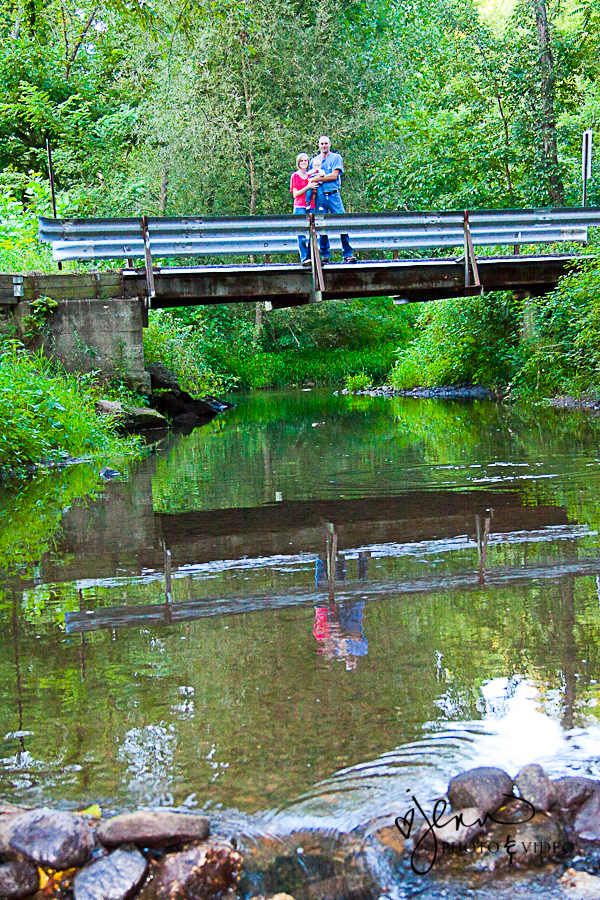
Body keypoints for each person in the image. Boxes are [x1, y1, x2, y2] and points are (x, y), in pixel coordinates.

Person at [309, 135, 357, 264]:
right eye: (322, 144)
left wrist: (318, 178)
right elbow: (310, 178)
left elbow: (333, 176)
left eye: (326, 143)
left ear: (329, 144)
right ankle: (325, 254)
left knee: (342, 221)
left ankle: (347, 253)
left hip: (333, 194)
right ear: (318, 145)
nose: (324, 146)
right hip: (320, 195)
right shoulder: (314, 160)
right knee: (321, 224)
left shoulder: (336, 158)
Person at [290, 152, 318, 267]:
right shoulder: (295, 176)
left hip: (310, 206)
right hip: (299, 206)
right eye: (302, 161)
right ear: (298, 163)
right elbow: (296, 194)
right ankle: (304, 257)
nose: (304, 163)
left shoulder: (310, 176)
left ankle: (313, 257)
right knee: (301, 234)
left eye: (306, 161)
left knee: (313, 233)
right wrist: (308, 187)